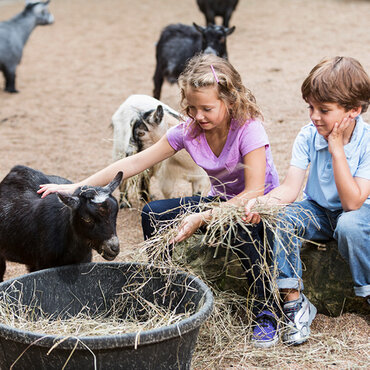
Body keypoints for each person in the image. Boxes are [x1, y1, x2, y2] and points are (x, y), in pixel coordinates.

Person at [38, 53, 280, 347]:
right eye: (191, 108)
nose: (198, 115)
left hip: (258, 206)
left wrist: (201, 218)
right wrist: (76, 187)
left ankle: (266, 310)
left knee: (248, 229)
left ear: (230, 101)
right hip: (219, 202)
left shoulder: (248, 128)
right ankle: (165, 293)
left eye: (206, 108)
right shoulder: (190, 130)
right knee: (153, 213)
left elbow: (253, 192)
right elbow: (135, 163)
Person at [244, 56, 370, 346]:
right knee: (284, 218)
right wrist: (264, 204)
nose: (314, 116)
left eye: (324, 110)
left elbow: (353, 202)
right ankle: (295, 303)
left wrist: (336, 149)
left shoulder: (366, 142)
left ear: (354, 110)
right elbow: (290, 189)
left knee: (349, 226)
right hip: (319, 210)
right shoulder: (307, 136)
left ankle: (366, 292)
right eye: (310, 107)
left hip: (360, 211)